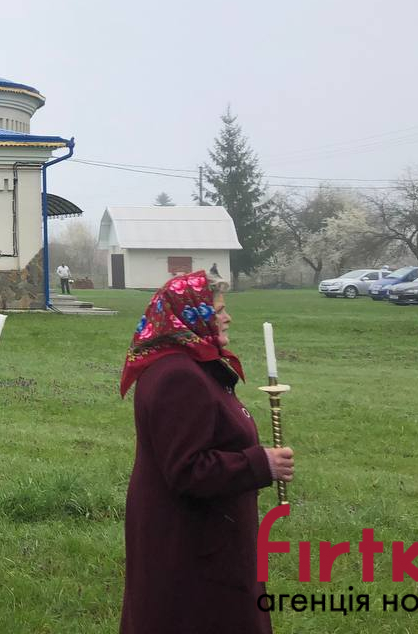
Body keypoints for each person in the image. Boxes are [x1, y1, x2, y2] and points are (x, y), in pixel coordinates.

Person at [119, 270, 295, 634]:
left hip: (203, 536)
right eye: (219, 311)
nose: (227, 318)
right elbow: (187, 470)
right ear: (190, 316)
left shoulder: (192, 365)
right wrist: (261, 463)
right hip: (191, 544)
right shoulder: (177, 376)